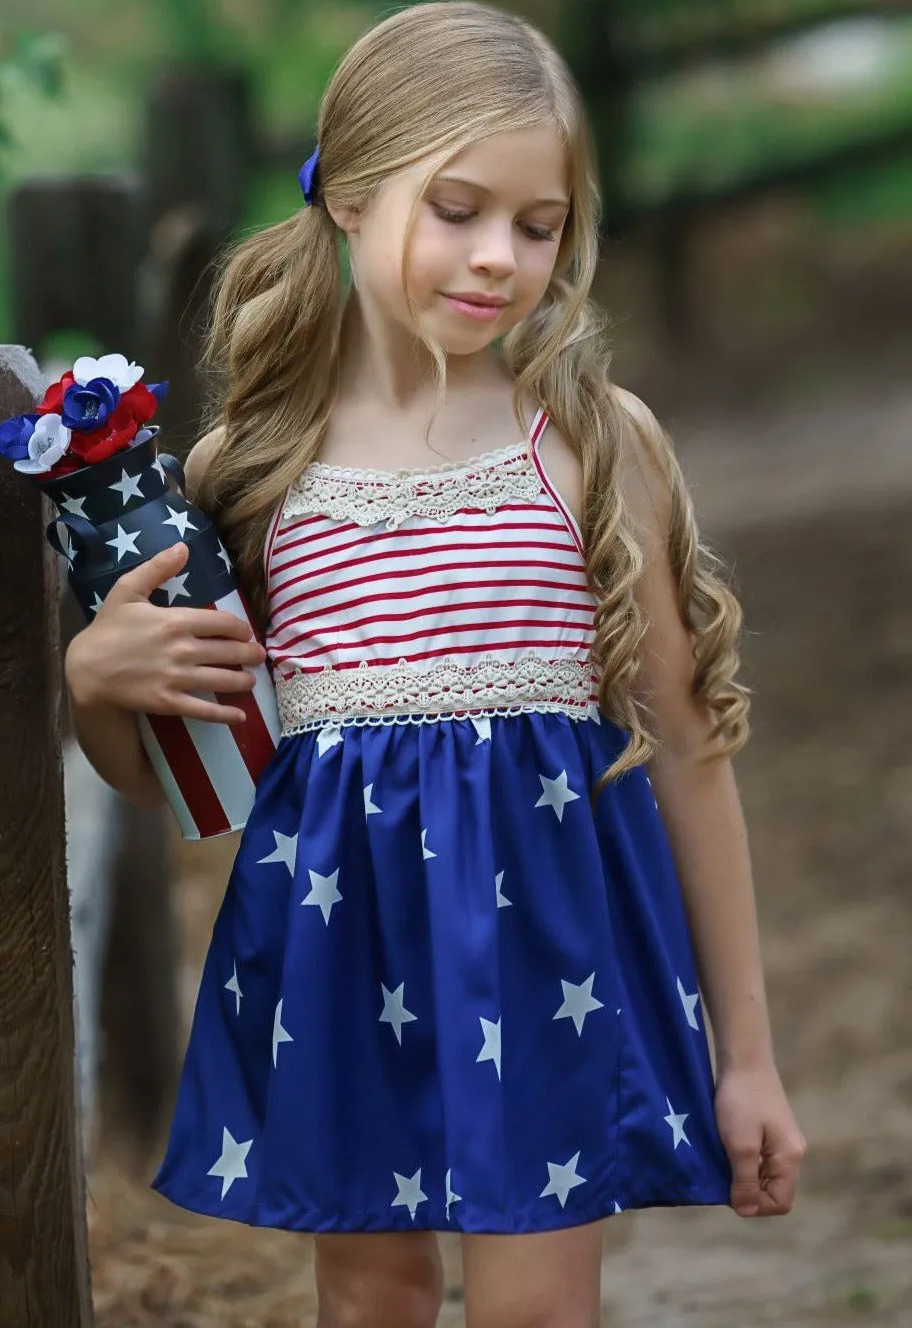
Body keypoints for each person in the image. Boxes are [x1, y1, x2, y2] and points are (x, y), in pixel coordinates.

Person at [65, 3, 806, 1323]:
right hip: (335, 957)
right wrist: (98, 685)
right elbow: (183, 783)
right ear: (347, 198)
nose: (497, 259)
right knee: (373, 1307)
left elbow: (688, 752)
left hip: (546, 961)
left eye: (539, 226)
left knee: (532, 1312)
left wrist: (744, 1060)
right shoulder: (253, 471)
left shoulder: (587, 443)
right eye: (456, 210)